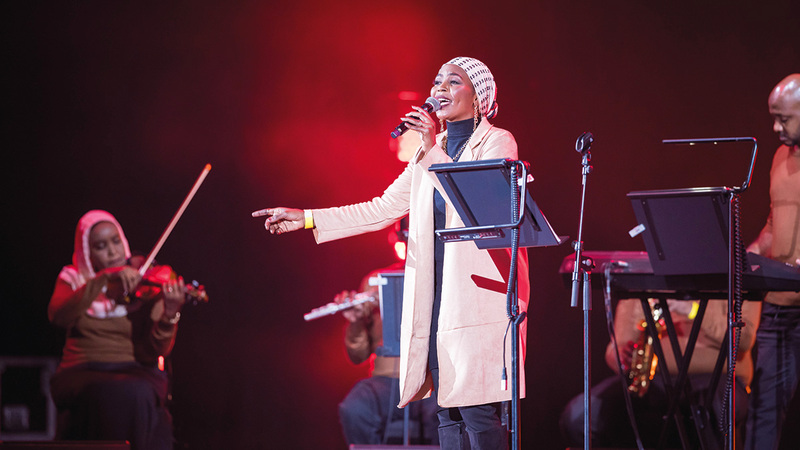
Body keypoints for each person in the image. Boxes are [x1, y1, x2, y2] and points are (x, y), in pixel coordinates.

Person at [254, 56, 528, 450]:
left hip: (478, 300)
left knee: (478, 414)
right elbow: (380, 208)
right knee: (447, 414)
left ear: (479, 98)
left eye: (453, 81)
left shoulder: (498, 141)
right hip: (437, 299)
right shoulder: (429, 152)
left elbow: (475, 205)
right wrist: (307, 218)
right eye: (437, 81)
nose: (440, 88)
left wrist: (429, 147)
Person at [48, 210, 187, 450]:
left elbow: (155, 351)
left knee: (138, 392)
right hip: (82, 369)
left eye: (116, 241)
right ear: (87, 252)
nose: (113, 252)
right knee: (104, 392)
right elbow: (59, 316)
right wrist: (102, 278)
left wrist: (169, 314)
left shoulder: (145, 281)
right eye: (101, 246)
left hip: (135, 369)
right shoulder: (73, 278)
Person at [560, 297, 759, 448]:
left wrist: (692, 310)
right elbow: (616, 349)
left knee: (716, 410)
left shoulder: (733, 269)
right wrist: (621, 357)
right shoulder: (643, 275)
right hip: (655, 381)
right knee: (580, 416)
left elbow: (743, 339)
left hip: (717, 378)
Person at [744, 73, 800, 450]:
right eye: (774, 118)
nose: (776, 127)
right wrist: (749, 254)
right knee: (763, 411)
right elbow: (773, 222)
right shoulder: (780, 157)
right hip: (779, 309)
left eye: (784, 118)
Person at [337, 267, 439, 446]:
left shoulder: (438, 271)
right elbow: (358, 356)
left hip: (431, 379)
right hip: (385, 383)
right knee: (355, 406)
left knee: (449, 408)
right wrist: (356, 321)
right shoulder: (375, 280)